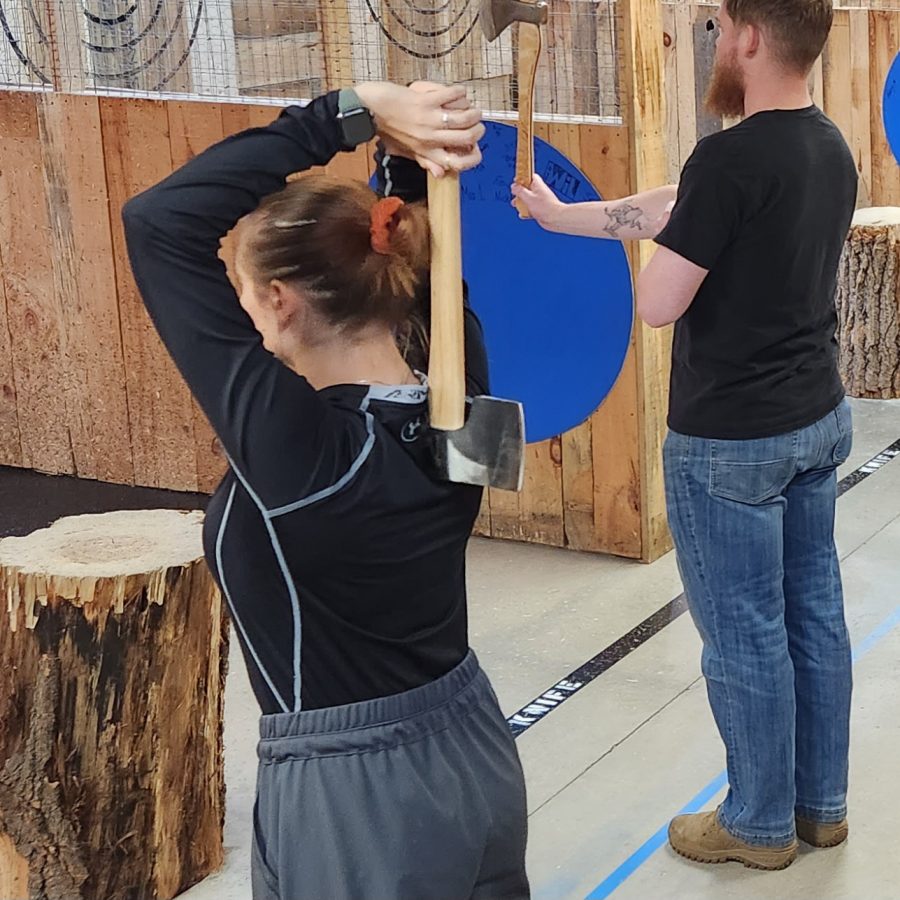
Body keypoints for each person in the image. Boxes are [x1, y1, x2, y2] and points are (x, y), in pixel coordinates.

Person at [122, 81, 530, 899]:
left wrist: (353, 111)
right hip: (476, 752)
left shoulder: (304, 456)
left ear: (279, 302)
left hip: (358, 809)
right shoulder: (455, 393)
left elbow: (158, 223)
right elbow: (427, 266)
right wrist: (409, 159)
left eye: (244, 296)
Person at [514, 0, 856, 873]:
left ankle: (756, 824)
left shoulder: (731, 159)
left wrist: (651, 253)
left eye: (720, 26)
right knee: (812, 617)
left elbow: (659, 302)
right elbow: (672, 206)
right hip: (816, 420)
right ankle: (820, 810)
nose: (716, 39)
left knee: (744, 636)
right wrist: (563, 217)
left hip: (731, 444)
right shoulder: (826, 145)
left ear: (747, 36)